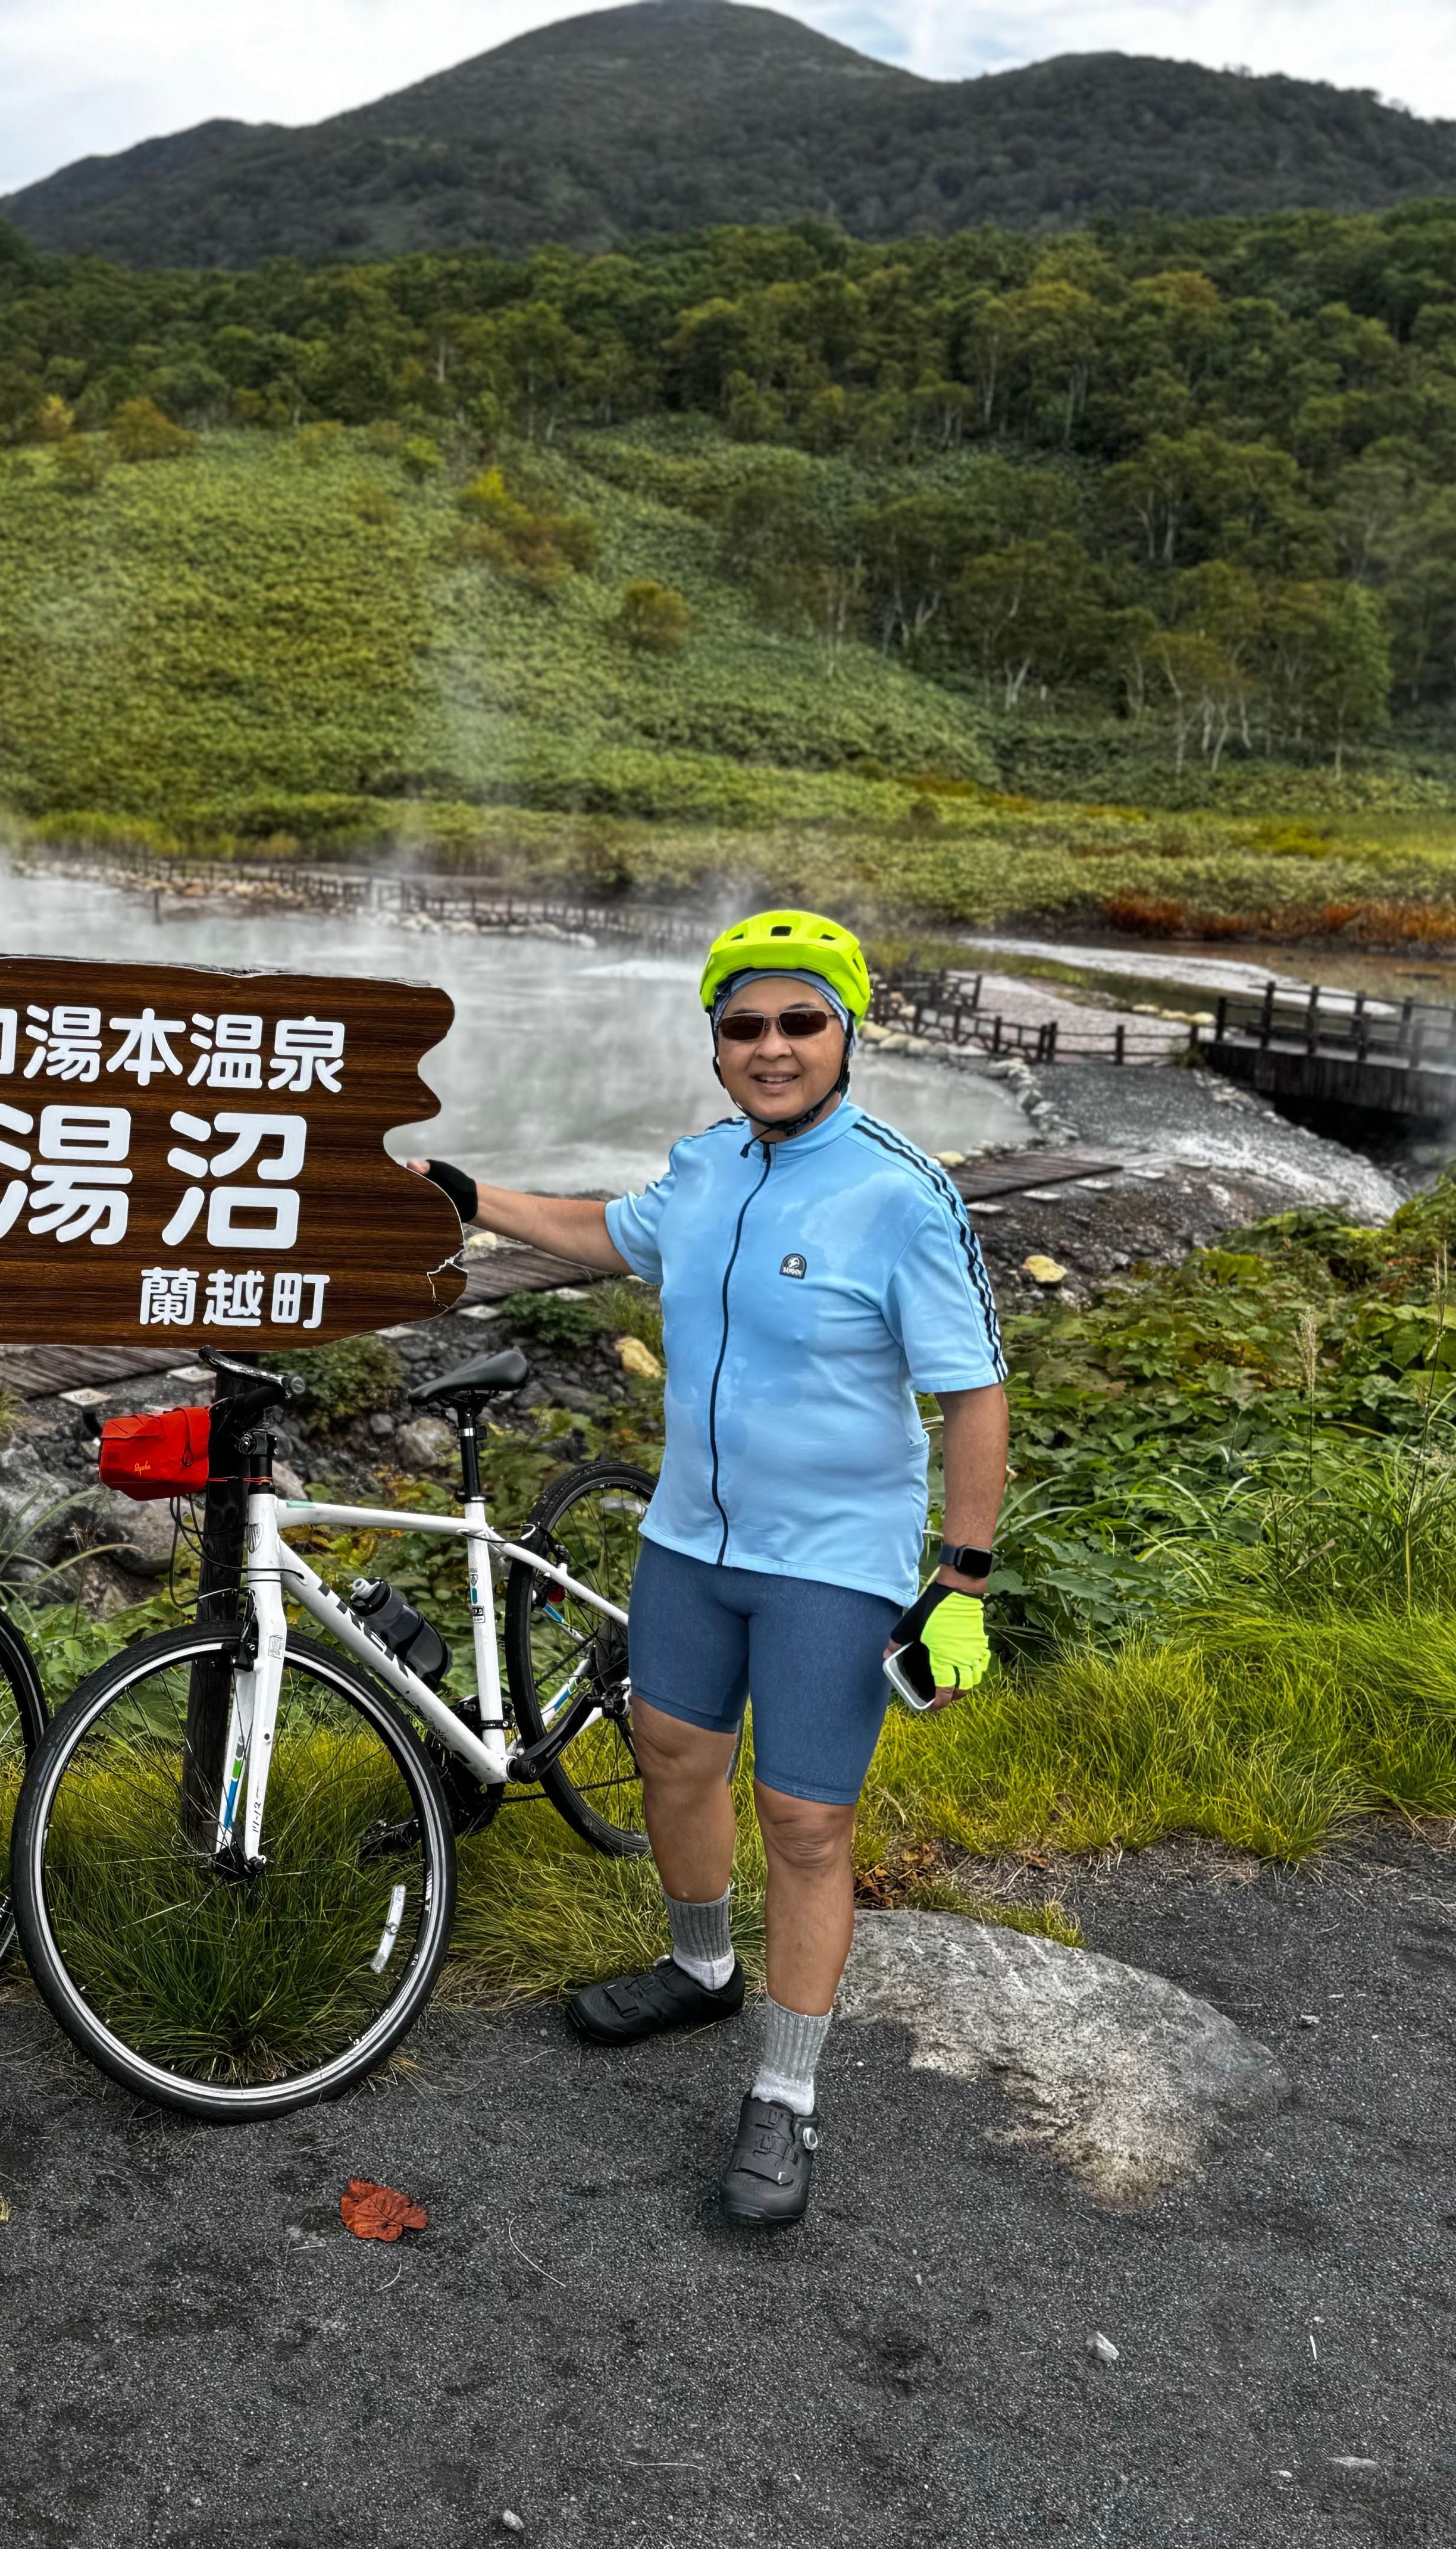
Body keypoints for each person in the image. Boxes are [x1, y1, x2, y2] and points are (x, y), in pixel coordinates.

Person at [409, 910, 1004, 2229]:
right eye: (745, 1026)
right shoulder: (707, 1167)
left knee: (807, 1824)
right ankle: (702, 1970)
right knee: (671, 1751)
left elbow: (973, 1396)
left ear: (849, 1033)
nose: (773, 1047)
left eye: (801, 1021)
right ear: (718, 1044)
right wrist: (469, 1195)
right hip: (690, 1539)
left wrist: (961, 1582)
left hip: (833, 1563)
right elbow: (611, 1234)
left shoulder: (902, 1192)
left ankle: (786, 2097)